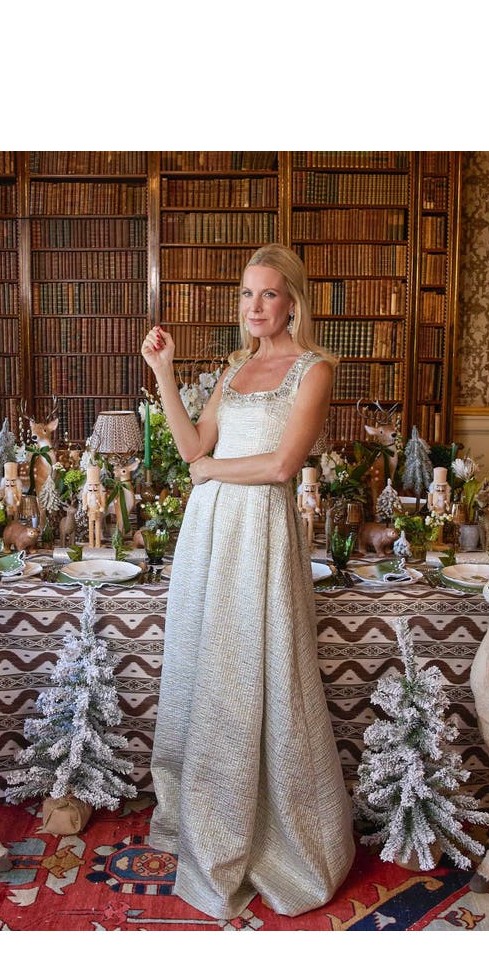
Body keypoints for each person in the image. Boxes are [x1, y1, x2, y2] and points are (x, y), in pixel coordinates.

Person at [141, 243, 355, 920]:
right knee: (209, 667)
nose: (254, 307)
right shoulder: (234, 369)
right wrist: (164, 373)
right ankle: (204, 816)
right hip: (208, 531)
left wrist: (208, 474)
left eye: (267, 294)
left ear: (292, 299)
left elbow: (282, 466)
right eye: (245, 295)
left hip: (260, 531)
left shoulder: (314, 369)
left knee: (257, 669)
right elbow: (191, 449)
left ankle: (274, 833)